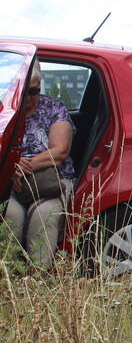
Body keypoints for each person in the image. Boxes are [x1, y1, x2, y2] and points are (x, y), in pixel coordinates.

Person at [3, 64, 75, 270]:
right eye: (23, 91)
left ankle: (38, 275)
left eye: (33, 91)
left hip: (51, 181)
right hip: (11, 182)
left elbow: (60, 151)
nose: (28, 97)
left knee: (44, 215)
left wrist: (23, 166)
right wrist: (11, 166)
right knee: (10, 215)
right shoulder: (4, 110)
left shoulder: (54, 108)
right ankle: (9, 274)